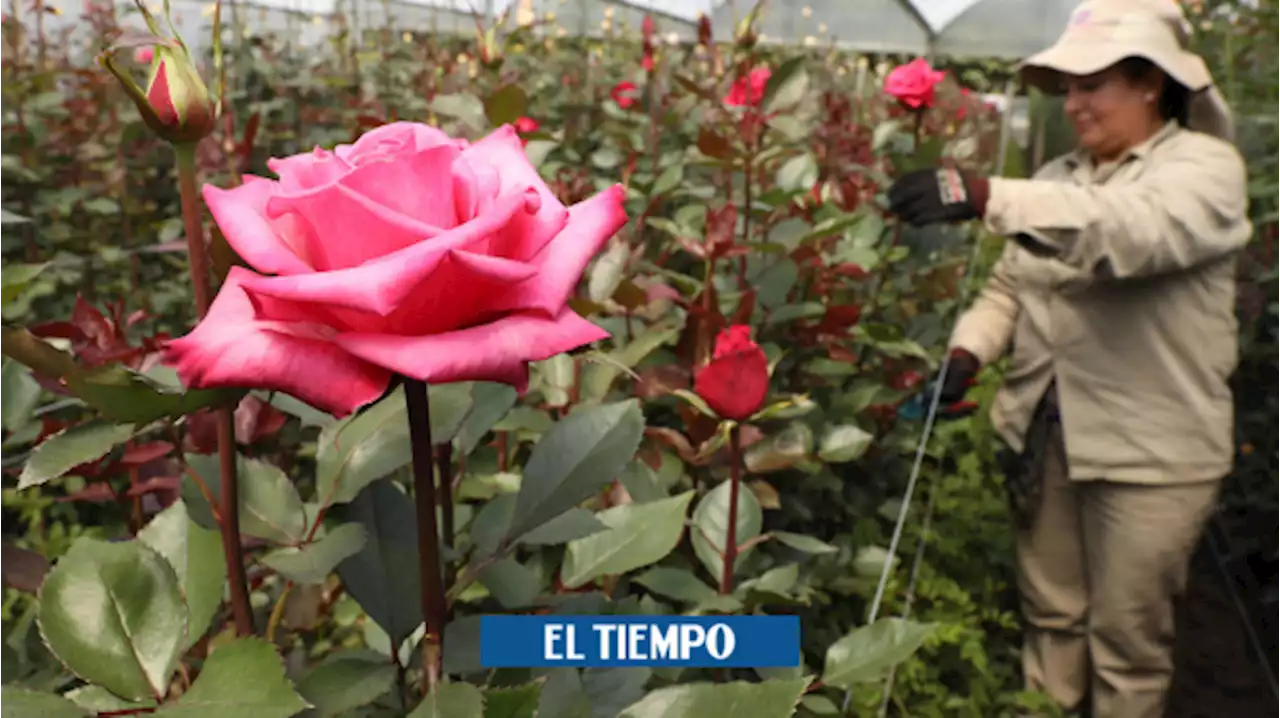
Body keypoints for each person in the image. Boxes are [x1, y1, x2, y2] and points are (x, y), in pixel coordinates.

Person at [883, 1, 1251, 717]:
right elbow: (1010, 288)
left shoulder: (1205, 170)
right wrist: (968, 353)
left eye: (1092, 84)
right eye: (1068, 88)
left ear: (1150, 83)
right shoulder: (1061, 174)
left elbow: (1132, 232)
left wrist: (988, 193)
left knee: (1127, 638)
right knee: (1051, 617)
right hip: (1048, 435)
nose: (1074, 103)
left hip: (1153, 455)